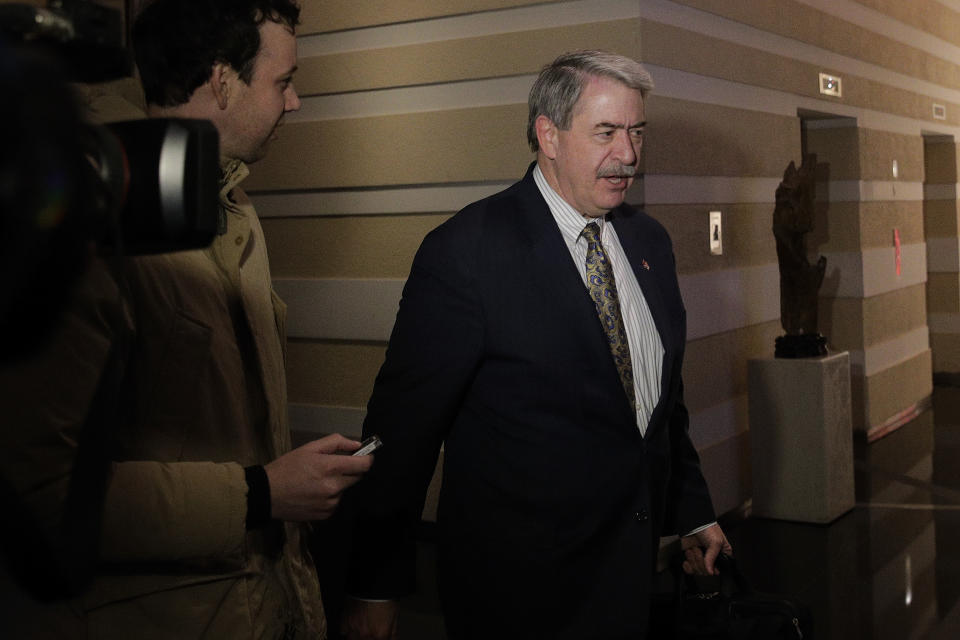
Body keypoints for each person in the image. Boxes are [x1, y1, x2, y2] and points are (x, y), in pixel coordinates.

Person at [0, 1, 371, 637]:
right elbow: (41, 498)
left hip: (251, 606)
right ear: (223, 79)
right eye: (282, 81)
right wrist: (263, 493)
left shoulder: (226, 205)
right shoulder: (89, 216)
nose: (295, 102)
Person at [340, 50, 732, 640]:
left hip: (629, 583)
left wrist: (693, 512)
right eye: (606, 132)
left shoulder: (649, 241)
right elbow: (403, 434)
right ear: (548, 135)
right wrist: (375, 582)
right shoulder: (466, 252)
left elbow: (656, 406)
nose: (627, 155)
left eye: (636, 132)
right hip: (518, 596)